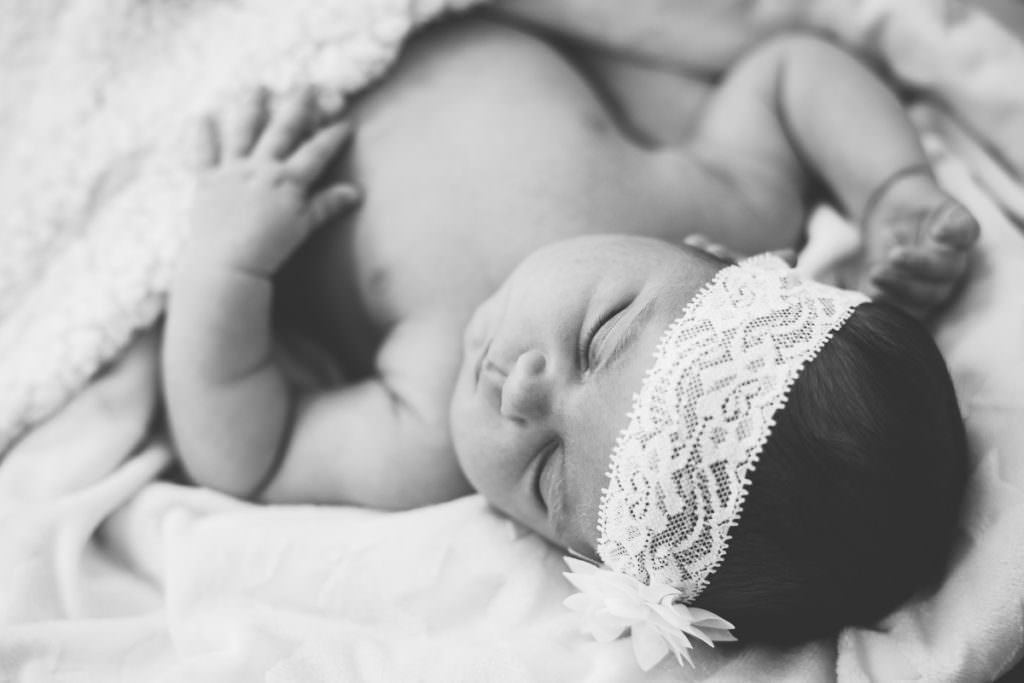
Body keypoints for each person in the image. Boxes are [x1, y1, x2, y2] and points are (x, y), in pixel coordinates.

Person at [162, 16, 970, 646]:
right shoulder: (714, 204)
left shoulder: (423, 441)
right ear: (717, 256)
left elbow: (248, 451)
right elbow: (789, 70)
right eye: (599, 336)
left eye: (548, 476)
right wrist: (893, 189)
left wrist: (223, 265)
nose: (520, 391)